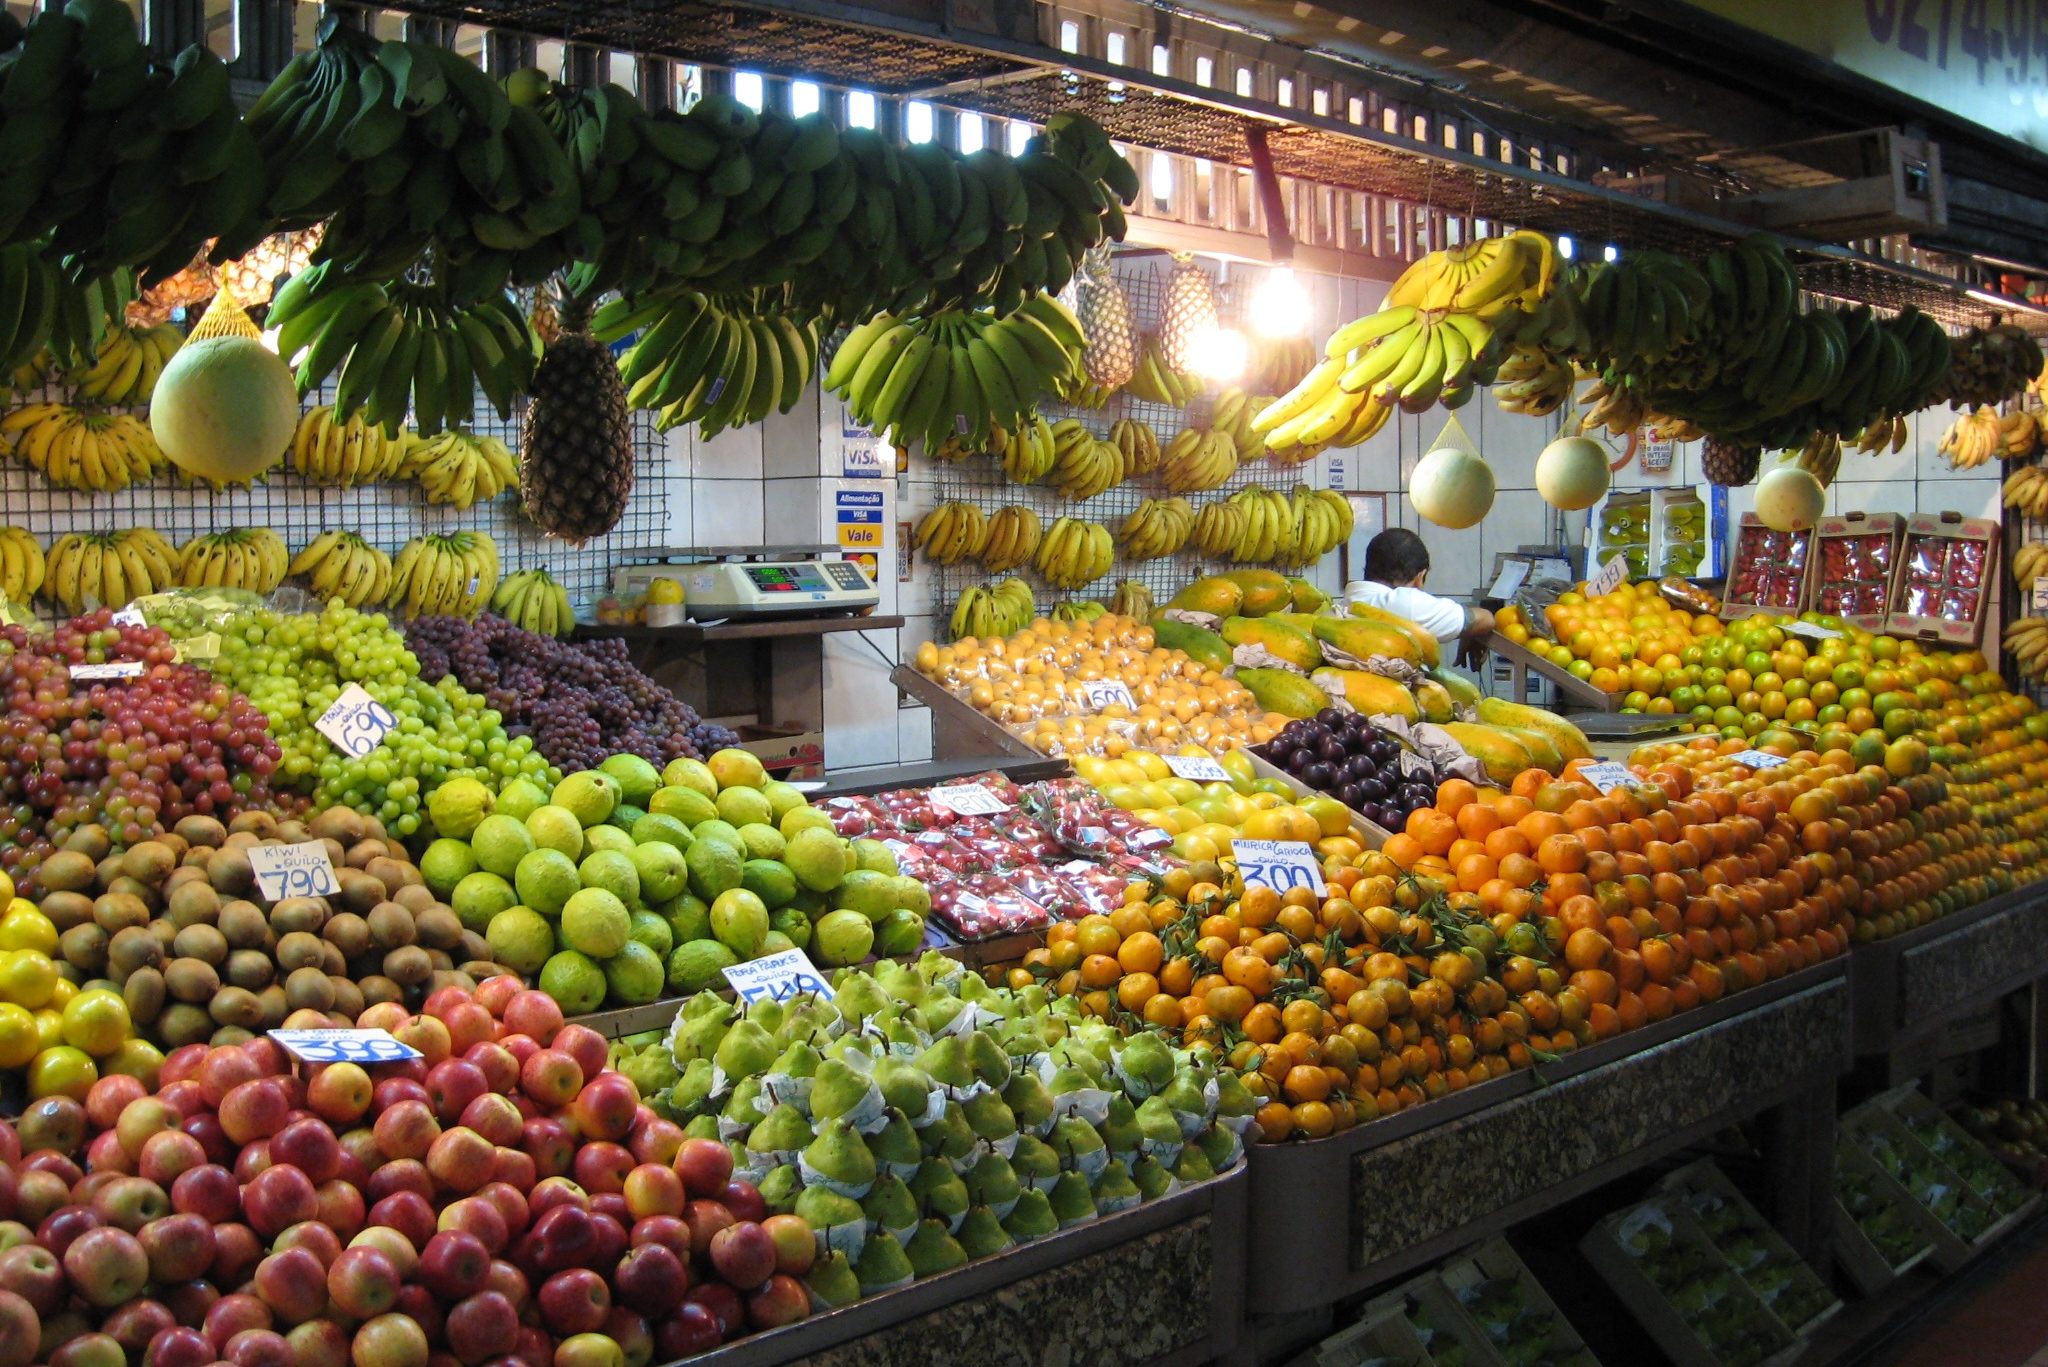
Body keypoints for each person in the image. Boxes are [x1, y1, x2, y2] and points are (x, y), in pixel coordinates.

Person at [1344, 527, 1494, 649]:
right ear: (1419, 577)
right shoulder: (1405, 604)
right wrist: (1466, 632)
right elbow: (1485, 619)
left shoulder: (1347, 601)